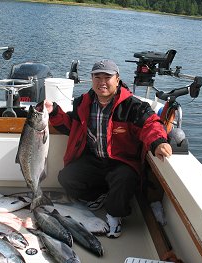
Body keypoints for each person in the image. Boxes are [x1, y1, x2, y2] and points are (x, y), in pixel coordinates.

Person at [44, 59, 172, 238]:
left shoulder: (133, 106)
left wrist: (158, 142)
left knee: (125, 179)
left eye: (107, 77)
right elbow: (71, 125)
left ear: (117, 80)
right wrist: (55, 112)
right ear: (91, 79)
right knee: (66, 178)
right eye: (97, 77)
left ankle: (114, 215)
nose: (102, 81)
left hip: (121, 161)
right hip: (95, 159)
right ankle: (100, 194)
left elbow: (150, 124)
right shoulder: (83, 102)